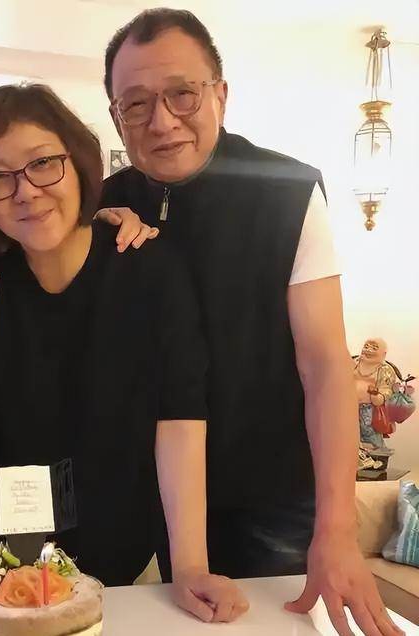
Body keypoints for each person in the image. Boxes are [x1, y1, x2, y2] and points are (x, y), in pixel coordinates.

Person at [0, 83, 248, 626]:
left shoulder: (150, 270)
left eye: (43, 164)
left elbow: (179, 418)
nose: (26, 192)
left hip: (127, 565)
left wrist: (192, 566)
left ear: (77, 162)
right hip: (5, 571)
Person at [100, 8, 403, 636]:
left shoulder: (286, 190)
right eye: (136, 104)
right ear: (116, 115)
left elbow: (325, 364)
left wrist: (337, 529)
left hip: (271, 493)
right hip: (149, 492)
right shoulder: (106, 201)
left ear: (220, 94)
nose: (162, 121)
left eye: (182, 94)